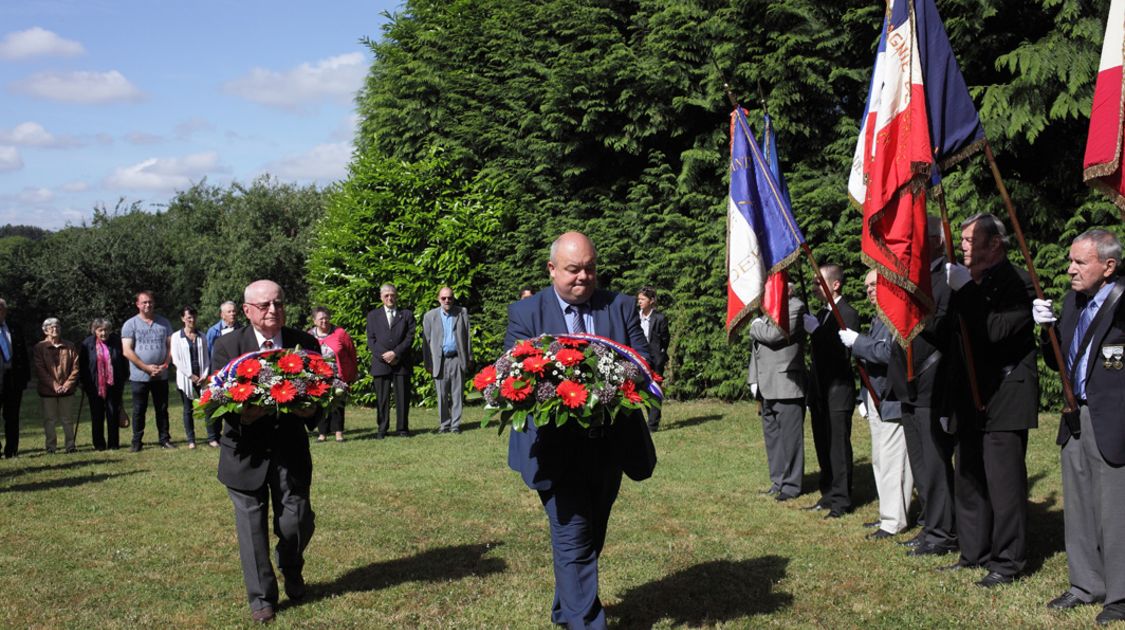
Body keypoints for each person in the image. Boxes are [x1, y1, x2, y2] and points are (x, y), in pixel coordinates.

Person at [506, 231, 656, 629]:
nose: (583, 277)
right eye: (573, 269)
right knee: (573, 535)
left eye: (590, 268)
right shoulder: (526, 314)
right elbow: (517, 380)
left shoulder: (620, 306)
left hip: (609, 446)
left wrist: (620, 377)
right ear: (552, 269)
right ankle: (585, 621)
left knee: (592, 536)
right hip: (554, 449)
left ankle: (566, 607)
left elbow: (643, 361)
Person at [211, 280, 321, 624]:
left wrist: (310, 412)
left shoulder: (305, 343)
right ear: (247, 311)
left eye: (279, 303)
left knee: (298, 519)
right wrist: (243, 414)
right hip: (245, 453)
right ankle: (262, 598)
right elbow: (219, 400)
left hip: (290, 450)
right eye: (264, 306)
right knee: (251, 527)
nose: (273, 310)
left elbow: (320, 391)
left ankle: (291, 563)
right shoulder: (228, 347)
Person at [1034, 229, 1125, 624]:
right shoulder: (1073, 301)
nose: (1070, 269)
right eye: (1070, 261)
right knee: (1080, 506)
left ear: (1108, 266)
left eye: (1079, 262)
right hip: (1076, 417)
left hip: (1115, 418)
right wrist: (1047, 330)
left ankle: (1120, 596)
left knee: (1116, 512)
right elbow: (1060, 363)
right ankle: (1086, 583)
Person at [944, 213, 1038, 587]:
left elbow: (995, 331)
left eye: (969, 240)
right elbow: (955, 341)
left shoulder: (1018, 283)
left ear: (994, 244)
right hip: (972, 395)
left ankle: (1008, 560)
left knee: (1004, 484)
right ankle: (973, 551)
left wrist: (966, 290)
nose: (962, 246)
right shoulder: (971, 282)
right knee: (968, 478)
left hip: (1006, 393)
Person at [891, 216, 958, 557]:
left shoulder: (944, 279)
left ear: (934, 241)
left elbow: (943, 329)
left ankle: (944, 531)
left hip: (932, 381)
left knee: (934, 462)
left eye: (915, 239)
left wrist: (914, 305)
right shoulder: (913, 279)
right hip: (909, 383)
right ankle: (931, 524)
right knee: (920, 463)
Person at [839, 270, 913, 538]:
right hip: (875, 396)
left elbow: (886, 353)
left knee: (893, 460)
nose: (869, 289)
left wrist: (858, 342)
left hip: (891, 396)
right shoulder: (879, 316)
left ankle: (893, 521)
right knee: (881, 458)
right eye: (867, 286)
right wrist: (863, 396)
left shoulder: (895, 314)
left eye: (874, 284)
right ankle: (888, 513)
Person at [802, 264, 860, 518]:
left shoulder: (847, 313)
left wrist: (817, 333)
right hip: (820, 390)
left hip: (838, 390)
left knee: (838, 446)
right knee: (823, 443)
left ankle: (842, 499)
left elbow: (840, 354)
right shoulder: (823, 313)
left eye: (819, 282)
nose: (815, 287)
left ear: (835, 284)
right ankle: (828, 491)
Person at [747, 287, 807, 502]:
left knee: (790, 439)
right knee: (772, 436)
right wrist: (753, 378)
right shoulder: (766, 312)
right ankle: (778, 480)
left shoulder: (795, 307)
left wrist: (755, 326)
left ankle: (792, 485)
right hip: (766, 384)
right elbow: (757, 351)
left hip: (786, 383)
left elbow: (773, 336)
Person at [122, 290, 175, 451]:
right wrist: (146, 367)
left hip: (161, 374)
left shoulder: (164, 323)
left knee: (162, 409)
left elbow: (171, 346)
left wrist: (165, 365)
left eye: (150, 301)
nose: (147, 305)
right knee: (139, 410)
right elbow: (127, 350)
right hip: (140, 376)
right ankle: (136, 442)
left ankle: (164, 439)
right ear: (137, 304)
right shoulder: (130, 324)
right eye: (144, 302)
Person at [365, 283, 415, 438]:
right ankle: (382, 428)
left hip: (401, 362)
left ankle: (402, 428)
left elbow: (410, 337)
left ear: (396, 296)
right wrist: (385, 355)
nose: (389, 298)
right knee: (382, 398)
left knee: (402, 397)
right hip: (381, 363)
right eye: (386, 295)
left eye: (392, 295)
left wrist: (395, 353)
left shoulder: (406, 315)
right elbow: (371, 340)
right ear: (381, 297)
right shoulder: (373, 316)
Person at [421, 287, 472, 434]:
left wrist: (469, 357)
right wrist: (428, 363)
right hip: (440, 361)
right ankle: (444, 425)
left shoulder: (462, 312)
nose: (447, 301)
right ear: (438, 299)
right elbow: (426, 342)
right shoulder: (430, 316)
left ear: (453, 298)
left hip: (457, 359)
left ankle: (455, 425)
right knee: (442, 395)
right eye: (443, 298)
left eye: (449, 298)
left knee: (457, 394)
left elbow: (467, 337)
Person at [308, 306, 358, 442]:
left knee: (338, 402)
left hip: (338, 374)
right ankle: (322, 433)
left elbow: (351, 352)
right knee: (321, 404)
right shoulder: (309, 335)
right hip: (318, 376)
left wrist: (352, 373)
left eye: (326, 318)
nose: (324, 321)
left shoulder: (340, 333)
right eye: (320, 319)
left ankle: (338, 433)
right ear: (314, 321)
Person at [79, 318, 129, 451]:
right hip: (94, 386)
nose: (103, 333)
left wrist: (123, 379)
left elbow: (123, 362)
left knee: (113, 414)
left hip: (114, 385)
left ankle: (113, 444)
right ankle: (99, 444)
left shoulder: (117, 342)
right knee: (97, 415)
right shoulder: (87, 344)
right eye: (100, 330)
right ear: (94, 331)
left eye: (106, 330)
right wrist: (83, 383)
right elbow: (82, 366)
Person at [33, 318, 80, 453]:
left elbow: (76, 367)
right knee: (50, 420)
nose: (55, 329)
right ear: (45, 330)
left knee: (67, 419)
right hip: (47, 391)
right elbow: (40, 369)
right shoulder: (39, 347)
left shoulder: (70, 346)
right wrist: (54, 385)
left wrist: (67, 384)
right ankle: (51, 447)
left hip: (67, 390)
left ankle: (70, 446)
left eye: (58, 326)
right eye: (51, 327)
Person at [171, 306, 209, 449]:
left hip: (202, 378)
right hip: (186, 379)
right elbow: (176, 360)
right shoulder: (176, 337)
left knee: (206, 407)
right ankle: (191, 440)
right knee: (188, 409)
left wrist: (204, 374)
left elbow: (206, 358)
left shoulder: (202, 336)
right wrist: (190, 375)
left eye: (193, 317)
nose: (192, 320)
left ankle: (211, 437)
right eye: (188, 318)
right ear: (183, 319)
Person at [0, 298, 31, 458]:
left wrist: (25, 378)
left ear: (4, 311)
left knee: (12, 416)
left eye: (0, 309)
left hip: (13, 378)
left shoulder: (14, 328)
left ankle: (11, 450)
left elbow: (23, 354)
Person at [637, 286, 670, 430]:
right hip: (639, 358)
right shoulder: (635, 316)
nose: (640, 302)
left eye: (643, 299)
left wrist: (659, 354)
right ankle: (649, 417)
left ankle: (653, 423)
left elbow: (665, 339)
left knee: (655, 389)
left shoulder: (659, 318)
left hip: (655, 359)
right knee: (643, 389)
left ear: (651, 301)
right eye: (639, 299)